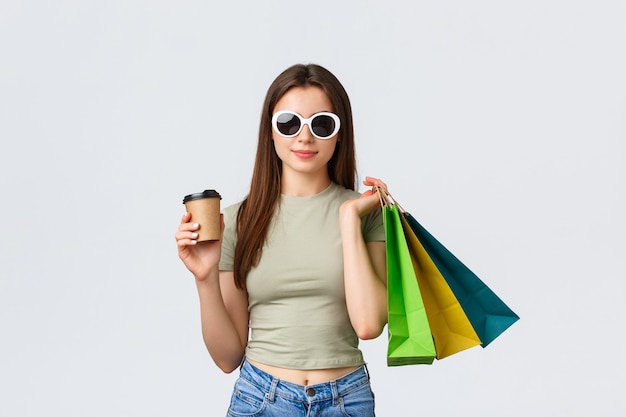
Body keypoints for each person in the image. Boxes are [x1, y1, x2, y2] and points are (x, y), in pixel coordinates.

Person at [175, 63, 388, 416]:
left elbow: (368, 326)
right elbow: (228, 358)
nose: (304, 137)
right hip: (260, 398)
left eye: (322, 124)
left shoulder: (368, 212)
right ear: (270, 132)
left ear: (340, 135)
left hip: (346, 400)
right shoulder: (239, 220)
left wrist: (349, 218)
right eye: (289, 123)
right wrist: (205, 278)